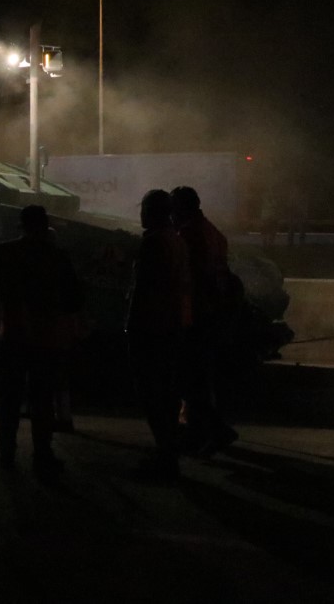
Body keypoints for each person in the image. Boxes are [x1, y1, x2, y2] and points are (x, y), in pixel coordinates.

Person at [0, 205, 83, 477]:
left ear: (21, 225)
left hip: (11, 333)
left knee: (9, 396)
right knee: (42, 398)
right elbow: (74, 298)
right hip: (45, 336)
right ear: (45, 225)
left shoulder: (4, 252)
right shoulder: (57, 256)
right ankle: (42, 453)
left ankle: (7, 451)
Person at [126, 189, 192, 481]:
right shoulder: (176, 240)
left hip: (153, 327)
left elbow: (145, 289)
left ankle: (166, 458)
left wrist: (132, 325)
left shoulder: (154, 242)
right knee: (167, 393)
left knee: (153, 394)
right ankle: (168, 454)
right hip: (173, 326)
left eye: (144, 208)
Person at [171, 186, 239, 457]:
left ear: (182, 208)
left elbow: (190, 279)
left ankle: (211, 431)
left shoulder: (188, 235)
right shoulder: (213, 233)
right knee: (200, 379)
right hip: (213, 315)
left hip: (196, 316)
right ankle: (200, 433)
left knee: (189, 380)